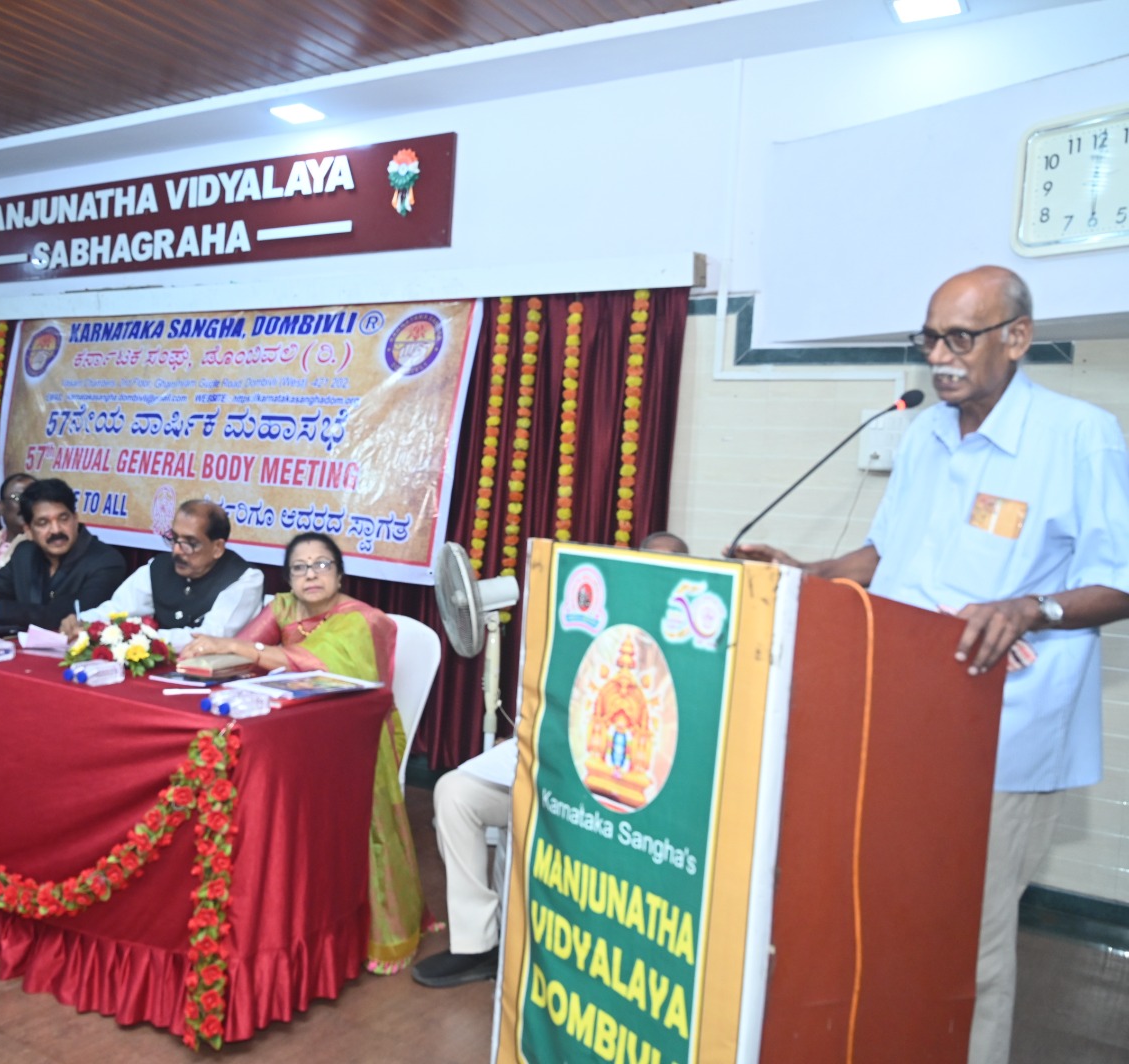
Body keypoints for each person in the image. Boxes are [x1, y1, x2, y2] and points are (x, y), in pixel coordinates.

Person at [732, 266, 1129, 1064]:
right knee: (890, 918)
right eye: (930, 339)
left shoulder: (1080, 436)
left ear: (1016, 338)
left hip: (1004, 735)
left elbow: (1119, 581)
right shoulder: (924, 437)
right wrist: (806, 574)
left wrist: (1033, 607)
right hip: (897, 721)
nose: (940, 357)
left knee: (970, 944)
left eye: (960, 338)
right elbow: (887, 555)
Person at [412, 530, 691, 989]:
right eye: (649, 564)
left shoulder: (691, 644)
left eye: (671, 566)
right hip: (557, 764)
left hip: (621, 792)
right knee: (455, 792)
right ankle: (477, 945)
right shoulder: (601, 622)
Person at [180, 531, 425, 973]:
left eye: (321, 565)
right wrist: (205, 654)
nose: (311, 575)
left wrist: (239, 648)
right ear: (289, 578)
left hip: (354, 739)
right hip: (296, 728)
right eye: (299, 568)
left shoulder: (364, 620)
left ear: (340, 574)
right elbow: (243, 655)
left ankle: (377, 930)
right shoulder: (284, 608)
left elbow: (313, 665)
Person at [63, 499, 263, 650]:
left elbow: (211, 637)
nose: (177, 551)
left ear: (217, 547)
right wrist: (83, 621)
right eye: (174, 538)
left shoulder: (244, 579)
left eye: (190, 543)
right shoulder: (158, 567)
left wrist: (141, 638)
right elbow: (119, 609)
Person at [0, 478, 125, 629]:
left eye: (63, 519)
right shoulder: (25, 554)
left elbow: (73, 617)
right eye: (43, 523)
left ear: (75, 519)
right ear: (28, 530)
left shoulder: (106, 561)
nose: (56, 530)